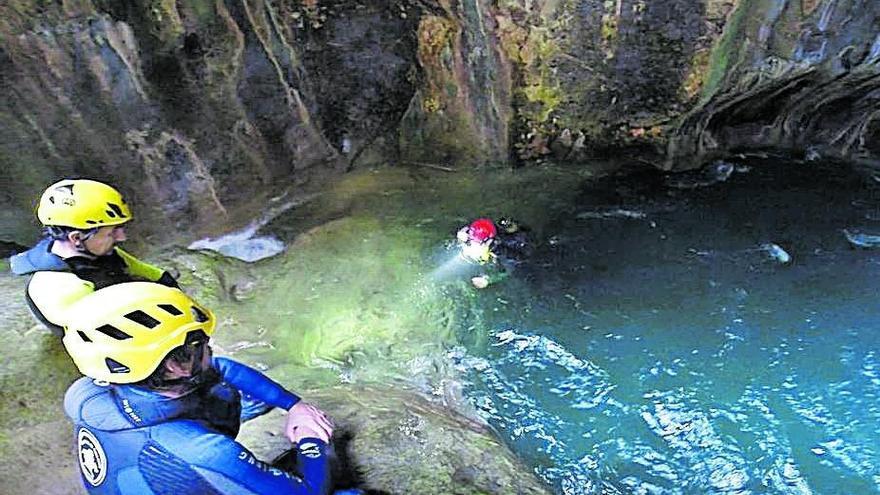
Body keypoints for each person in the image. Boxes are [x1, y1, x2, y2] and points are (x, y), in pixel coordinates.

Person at [62, 281, 341, 494]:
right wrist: (309, 439)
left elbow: (219, 367)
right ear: (174, 366)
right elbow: (308, 491)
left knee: (220, 390)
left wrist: (293, 405)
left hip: (139, 471)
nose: (210, 347)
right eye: (197, 346)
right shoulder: (206, 451)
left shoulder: (91, 390)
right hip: (180, 457)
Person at [9, 179, 180, 335]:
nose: (122, 237)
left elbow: (156, 276)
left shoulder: (97, 251)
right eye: (112, 232)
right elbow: (108, 335)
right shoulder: (60, 288)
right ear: (76, 238)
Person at [456, 217, 531, 289]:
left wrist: (488, 279)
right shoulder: (477, 233)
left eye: (477, 243)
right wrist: (461, 237)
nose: (473, 244)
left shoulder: (503, 249)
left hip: (523, 258)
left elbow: (508, 269)